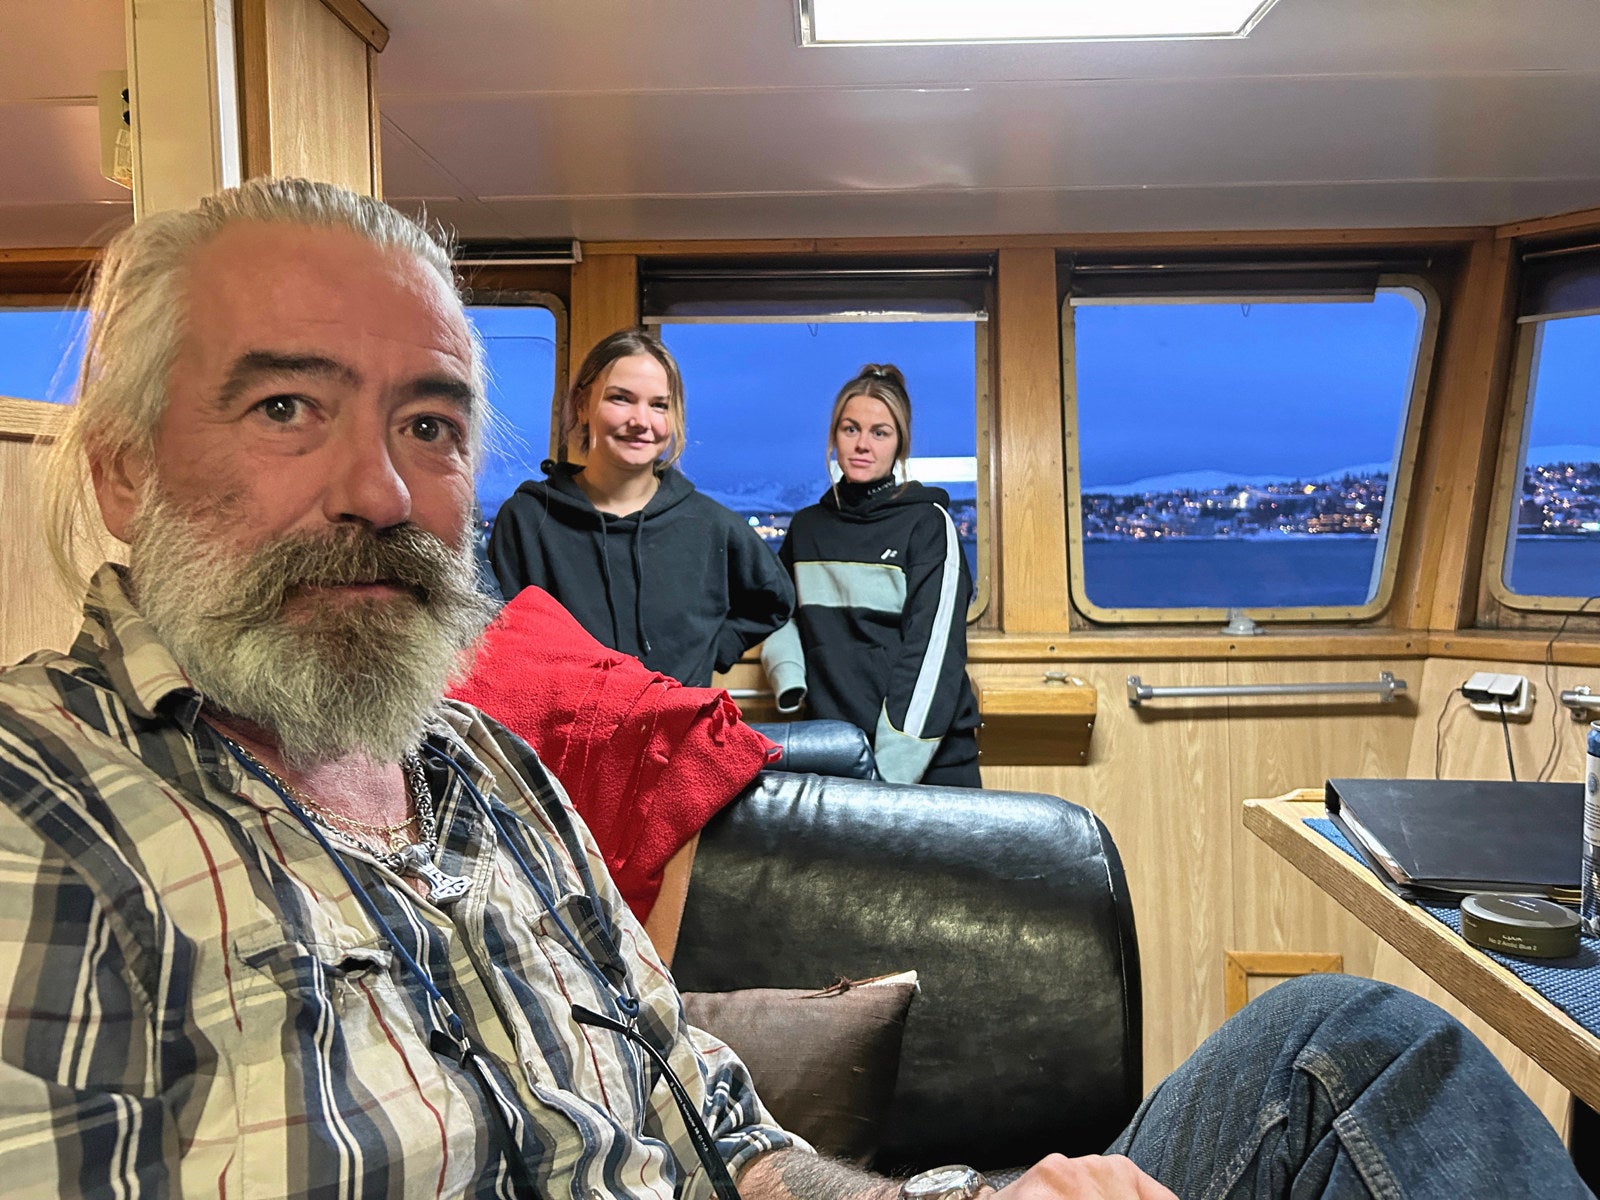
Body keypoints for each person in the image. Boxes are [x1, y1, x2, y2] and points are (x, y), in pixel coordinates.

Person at [0, 177, 1587, 1200]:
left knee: (1344, 1048)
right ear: (125, 467)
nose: (383, 490)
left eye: (428, 424)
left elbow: (718, 1126)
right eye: (287, 406)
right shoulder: (46, 824)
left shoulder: (500, 780)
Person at [487, 329, 793, 687]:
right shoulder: (527, 520)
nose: (641, 421)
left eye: (659, 405)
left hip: (677, 722)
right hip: (564, 722)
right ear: (583, 405)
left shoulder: (710, 525)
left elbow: (775, 600)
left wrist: (712, 650)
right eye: (621, 399)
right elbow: (504, 641)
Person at [762, 364, 982, 786]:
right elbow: (776, 612)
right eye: (851, 429)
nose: (862, 444)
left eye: (880, 433)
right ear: (834, 437)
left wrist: (890, 776)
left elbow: (933, 657)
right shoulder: (807, 529)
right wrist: (788, 676)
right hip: (836, 751)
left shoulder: (928, 526)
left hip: (927, 759)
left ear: (900, 444)